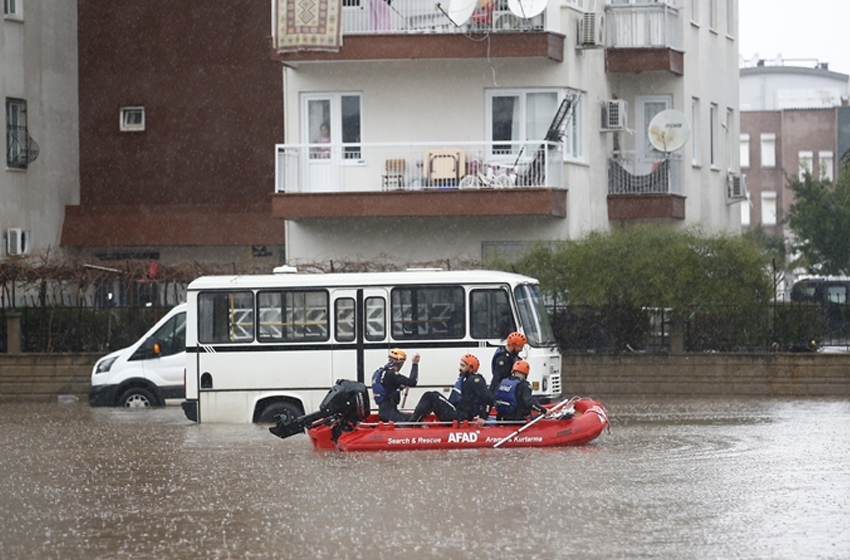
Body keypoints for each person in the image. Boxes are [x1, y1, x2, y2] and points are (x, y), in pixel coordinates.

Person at [410, 354, 494, 427]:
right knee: (432, 395)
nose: (459, 368)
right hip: (457, 412)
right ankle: (416, 421)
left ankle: (413, 423)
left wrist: (483, 417)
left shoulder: (475, 380)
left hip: (461, 416)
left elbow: (488, 398)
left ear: (471, 367)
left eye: (463, 366)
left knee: (430, 396)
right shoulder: (465, 378)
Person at [372, 348, 419, 423]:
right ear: (400, 363)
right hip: (391, 414)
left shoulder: (380, 372)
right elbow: (413, 382)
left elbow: (387, 388)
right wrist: (415, 364)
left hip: (383, 412)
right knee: (415, 421)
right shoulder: (392, 374)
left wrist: (400, 388)